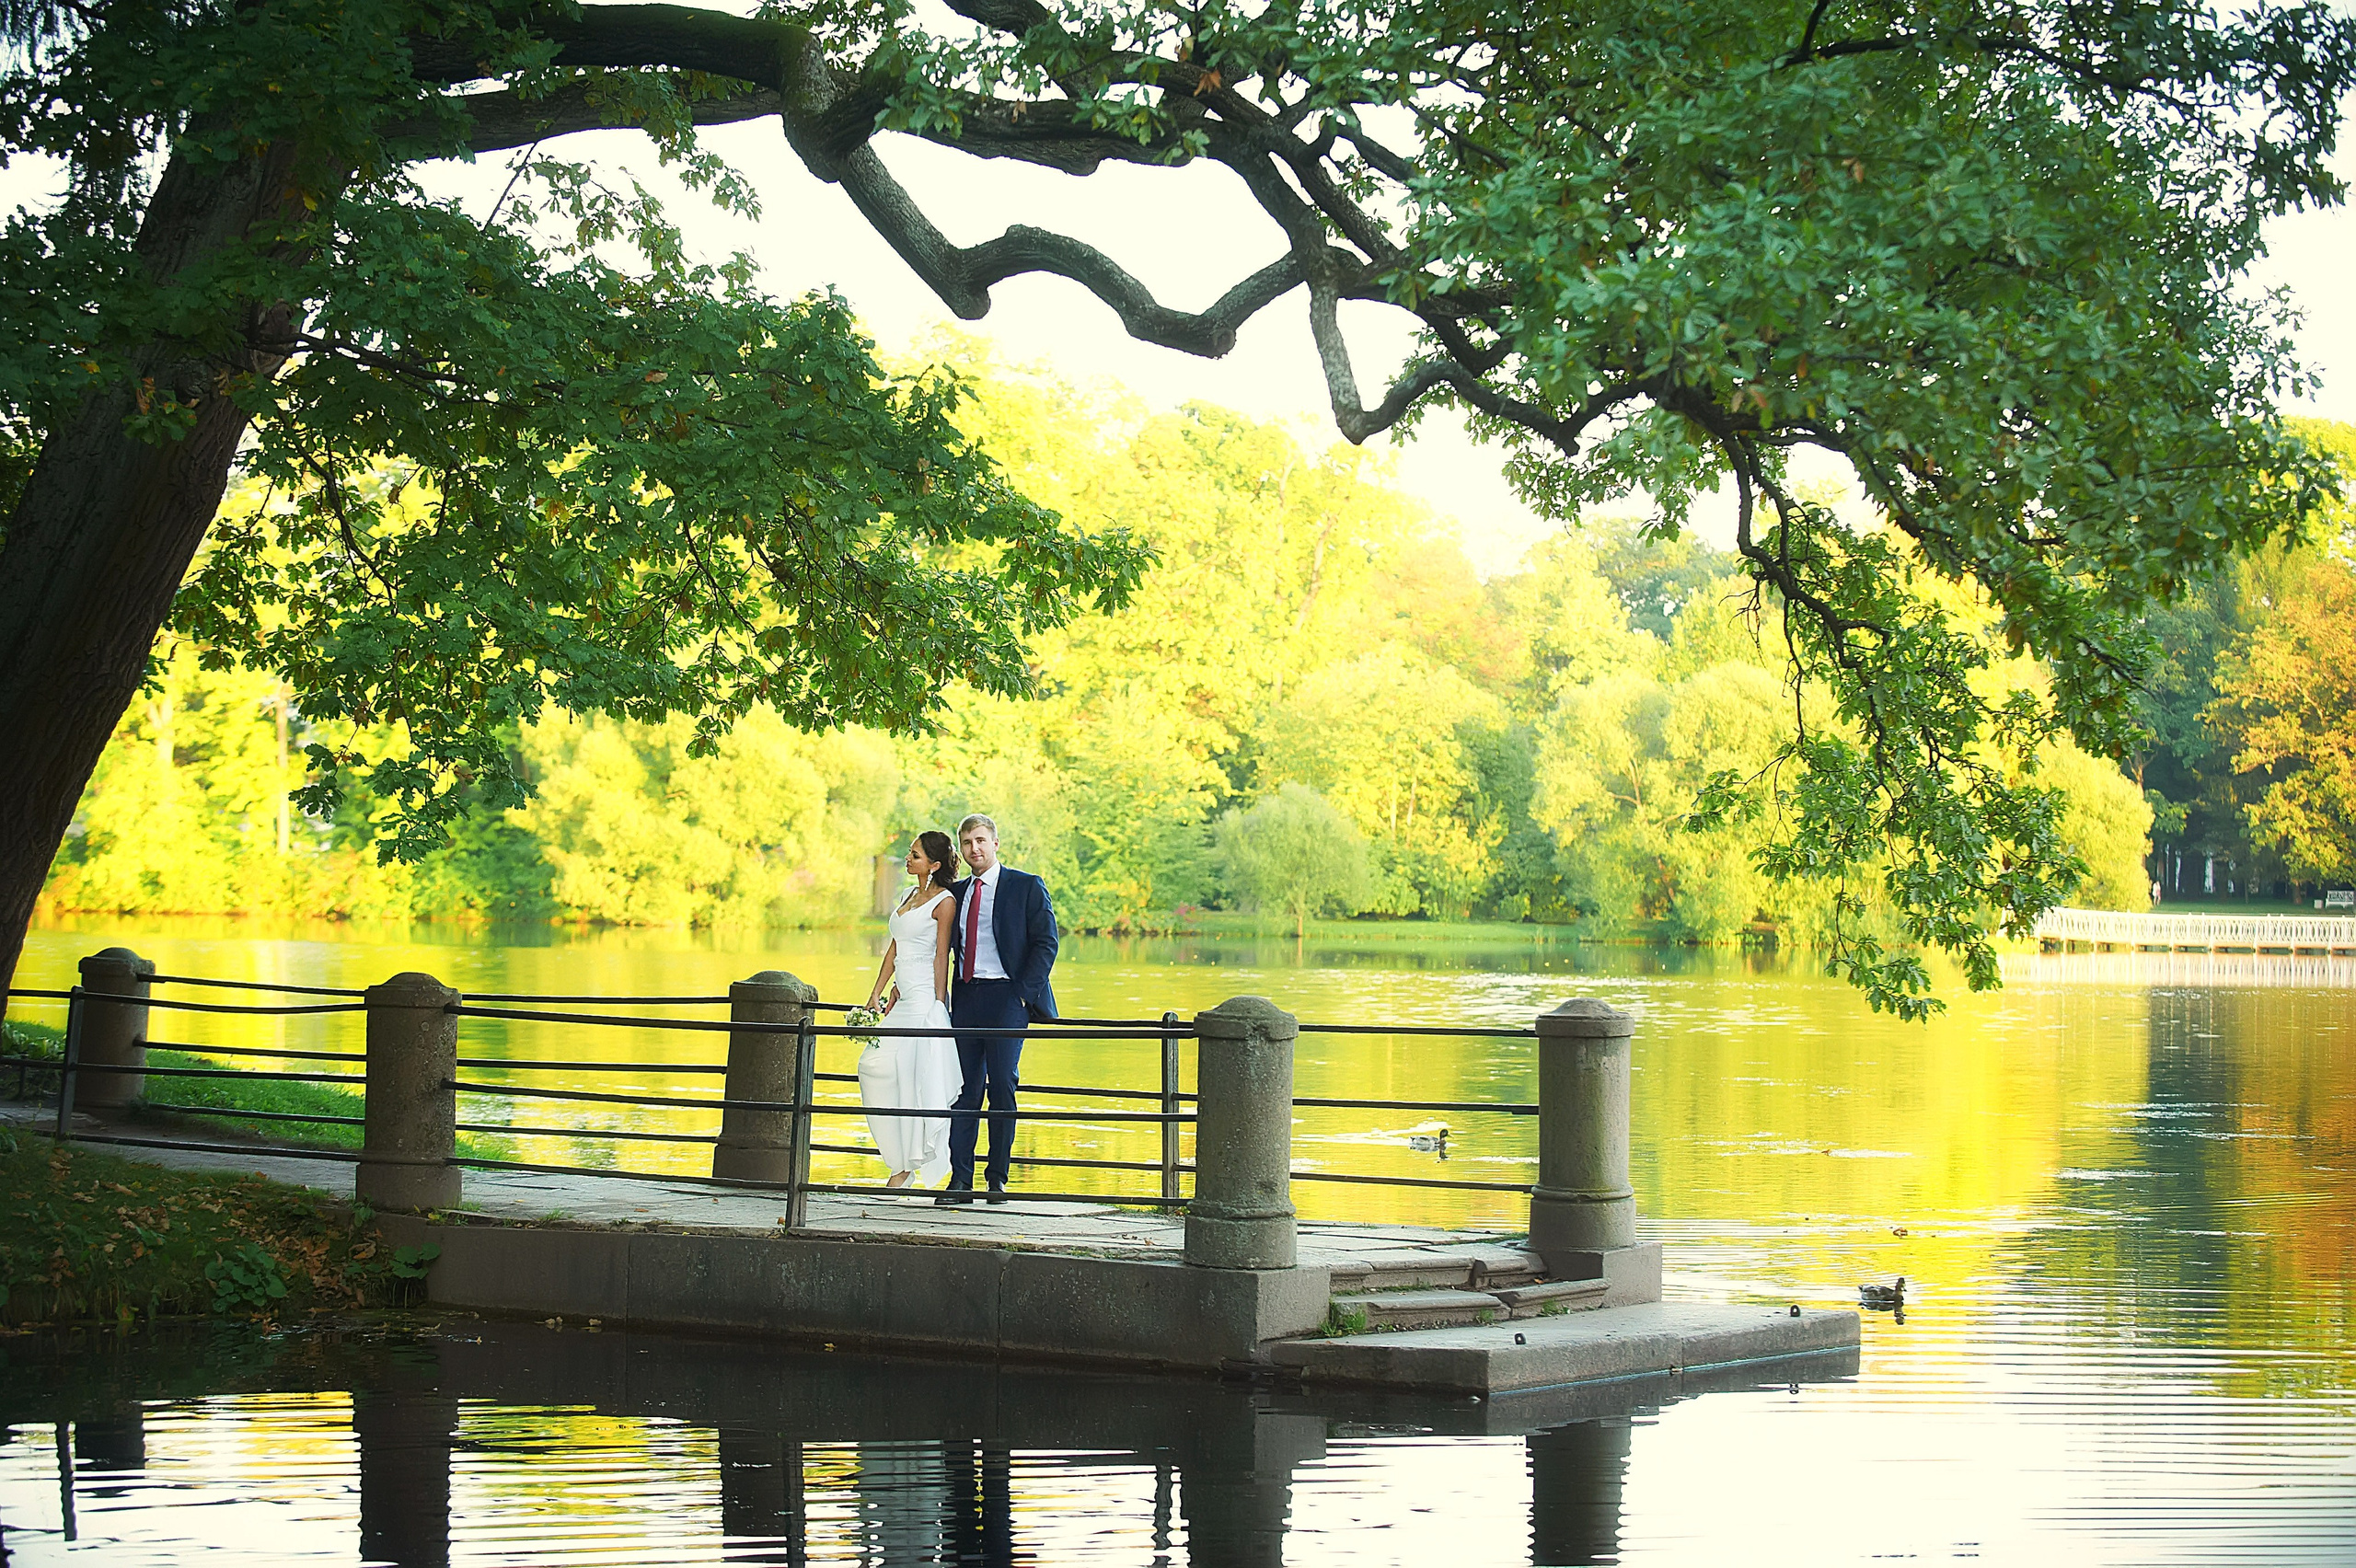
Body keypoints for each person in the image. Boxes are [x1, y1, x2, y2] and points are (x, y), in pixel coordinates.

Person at [939, 813, 1058, 1205]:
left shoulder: (1025, 886)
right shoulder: (955, 892)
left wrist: (1023, 994)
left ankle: (997, 1180)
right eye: (968, 843)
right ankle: (960, 1181)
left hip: (1009, 997)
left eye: (981, 841)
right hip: (968, 997)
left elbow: (1046, 943)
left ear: (995, 843)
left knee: (1003, 1085)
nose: (975, 849)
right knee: (965, 1089)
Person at [857, 831, 963, 1190]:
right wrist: (878, 992)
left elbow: (940, 955)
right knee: (874, 1067)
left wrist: (938, 1004)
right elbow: (894, 948)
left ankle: (905, 1169)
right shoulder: (906, 896)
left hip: (922, 1001)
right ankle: (899, 1159)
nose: (908, 858)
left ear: (933, 865)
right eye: (909, 853)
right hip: (900, 1001)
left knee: (918, 1082)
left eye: (915, 855)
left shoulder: (944, 902)